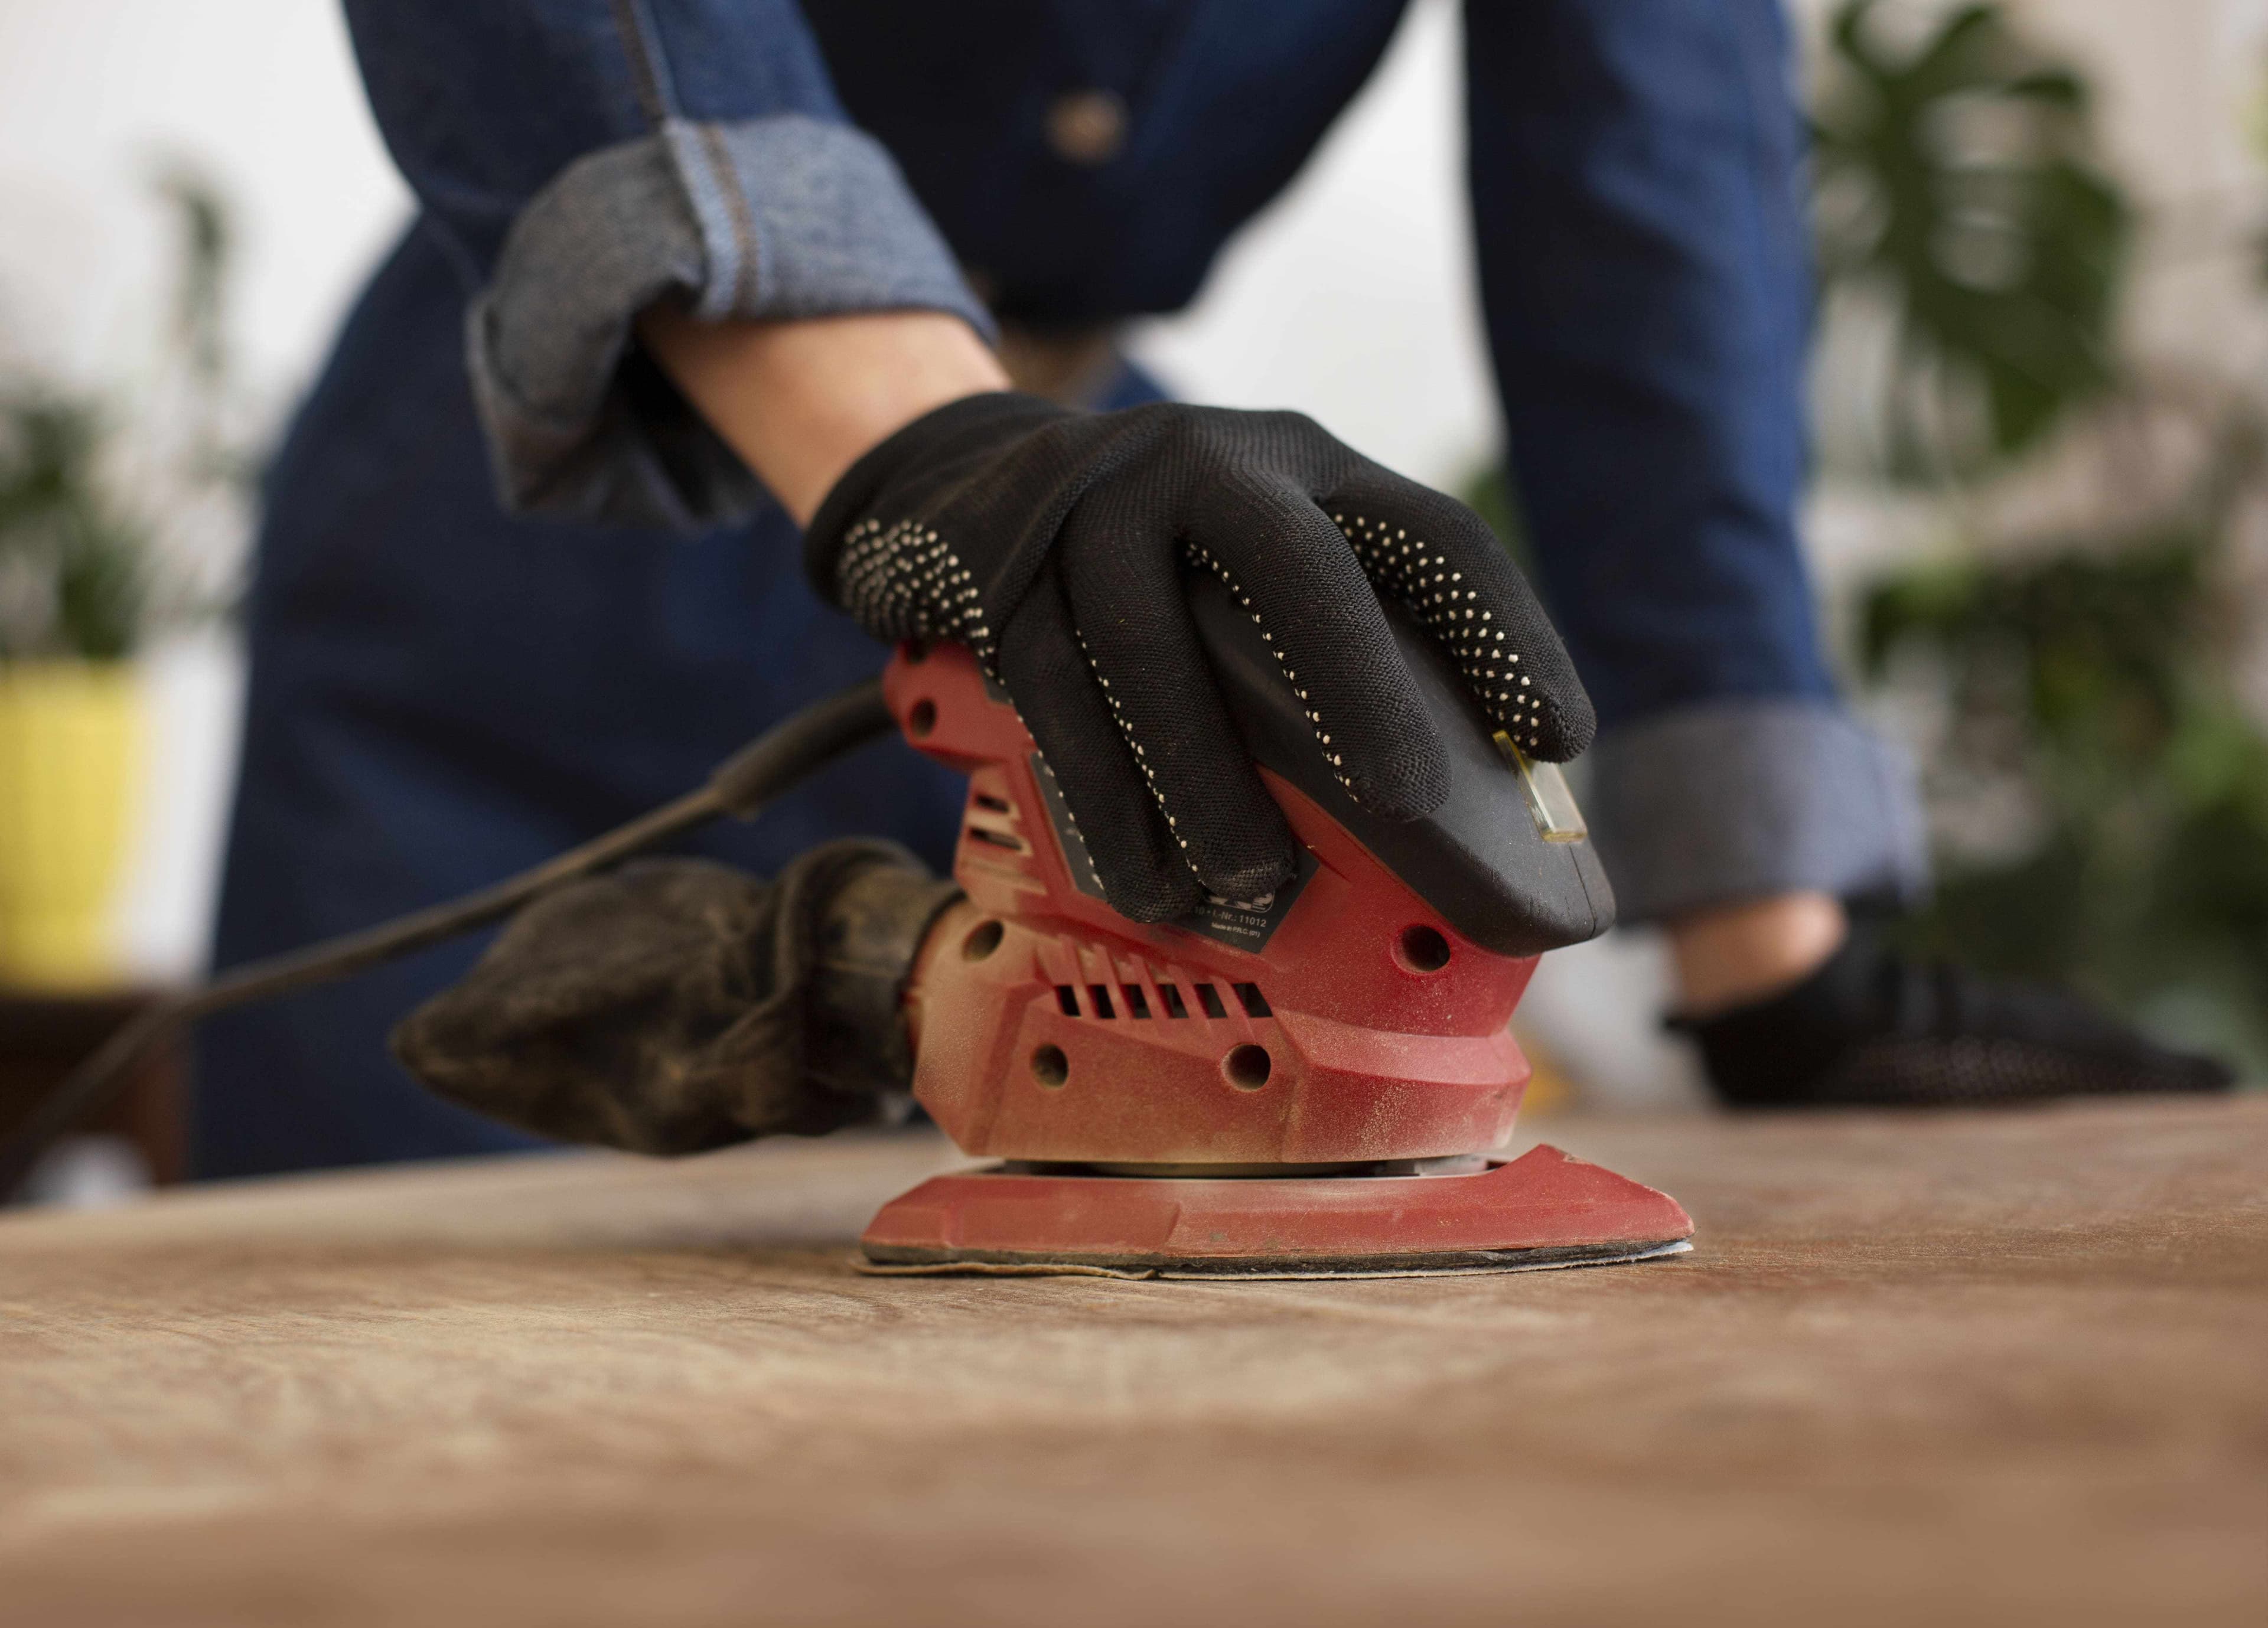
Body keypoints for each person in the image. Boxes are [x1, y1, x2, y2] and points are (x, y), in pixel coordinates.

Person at [192, 0, 2227, 1179]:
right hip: (551, 551)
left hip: (1091, 554)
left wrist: (1770, 951)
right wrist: (934, 459)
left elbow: (1648, 184)